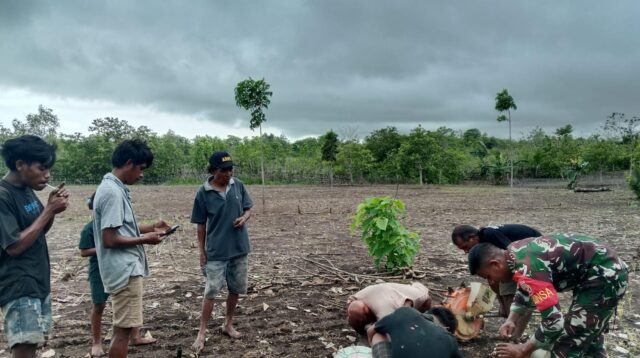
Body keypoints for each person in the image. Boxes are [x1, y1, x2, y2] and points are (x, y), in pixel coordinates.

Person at [468, 234, 628, 358]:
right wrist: (512, 319)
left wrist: (523, 349)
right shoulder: (512, 252)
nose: (492, 281)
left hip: (604, 275)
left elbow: (554, 322)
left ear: (496, 264)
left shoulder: (528, 267)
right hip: (598, 271)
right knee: (588, 335)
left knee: (568, 342)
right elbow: (525, 288)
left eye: (488, 276)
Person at [92, 139, 172, 358]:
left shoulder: (113, 188)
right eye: (141, 169)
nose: (142, 175)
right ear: (129, 163)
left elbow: (121, 228)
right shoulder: (112, 192)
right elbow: (110, 238)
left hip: (124, 268)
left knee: (123, 330)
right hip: (124, 270)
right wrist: (145, 239)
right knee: (122, 333)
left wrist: (149, 227)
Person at [0, 135, 69, 358]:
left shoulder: (26, 189)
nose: (47, 174)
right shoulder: (3, 196)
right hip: (19, 285)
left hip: (37, 279)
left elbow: (38, 231)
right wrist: (48, 210)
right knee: (24, 347)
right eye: (42, 168)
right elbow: (15, 246)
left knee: (33, 344)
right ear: (20, 165)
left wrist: (52, 208)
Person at [78, 193, 156, 357]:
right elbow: (84, 251)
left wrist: (153, 227)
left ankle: (135, 336)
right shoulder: (89, 229)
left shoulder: (116, 225)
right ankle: (96, 342)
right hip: (99, 271)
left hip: (119, 268)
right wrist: (105, 247)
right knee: (99, 305)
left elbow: (135, 229)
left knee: (127, 306)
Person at [191, 151, 253, 353]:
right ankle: (202, 332)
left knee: (235, 288)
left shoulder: (238, 185)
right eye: (223, 170)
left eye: (230, 169)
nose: (228, 174)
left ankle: (228, 324)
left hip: (239, 248)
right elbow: (200, 226)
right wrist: (201, 252)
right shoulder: (203, 193)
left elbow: (248, 208)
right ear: (213, 171)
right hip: (216, 251)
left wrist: (244, 218)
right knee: (211, 291)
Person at [452, 224, 542, 321]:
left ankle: (514, 327)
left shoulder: (489, 235)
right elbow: (492, 280)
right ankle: (511, 318)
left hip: (535, 251)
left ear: (473, 238)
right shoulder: (483, 245)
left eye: (465, 247)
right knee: (497, 280)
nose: (466, 251)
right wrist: (502, 304)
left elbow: (513, 253)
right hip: (522, 255)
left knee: (509, 289)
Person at [368, 306, 462, 358]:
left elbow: (371, 330)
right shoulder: (450, 340)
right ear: (447, 329)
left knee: (378, 335)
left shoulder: (406, 312)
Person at [346, 282, 431, 336]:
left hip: (412, 295)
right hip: (386, 291)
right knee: (355, 316)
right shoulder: (356, 298)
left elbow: (390, 329)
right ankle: (362, 332)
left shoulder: (384, 309)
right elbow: (353, 312)